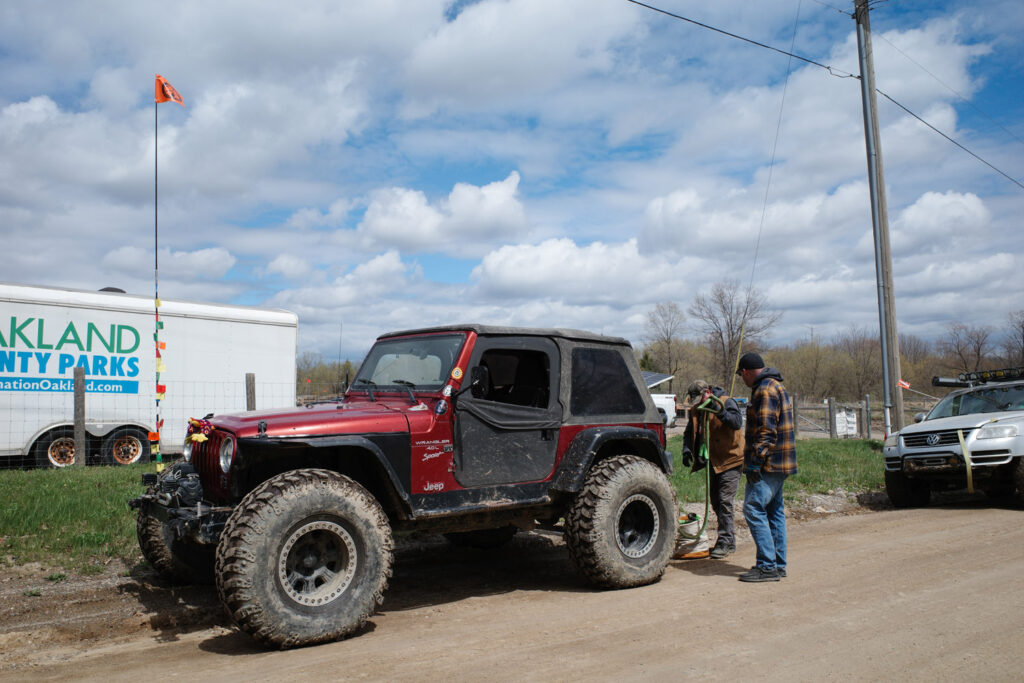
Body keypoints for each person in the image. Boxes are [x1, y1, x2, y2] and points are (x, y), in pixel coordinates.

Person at [736, 351, 796, 583]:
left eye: (741, 375)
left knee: (753, 508)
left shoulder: (765, 390)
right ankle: (777, 564)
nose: (742, 379)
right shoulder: (776, 386)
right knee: (774, 512)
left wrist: (755, 462)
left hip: (769, 464)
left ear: (747, 372)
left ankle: (767, 566)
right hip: (781, 462)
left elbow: (766, 431)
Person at [680, 379, 744, 559]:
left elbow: (737, 422)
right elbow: (688, 432)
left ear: (708, 392)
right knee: (715, 501)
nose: (698, 402)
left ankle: (724, 541)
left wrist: (721, 412)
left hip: (731, 458)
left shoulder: (726, 401)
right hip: (713, 461)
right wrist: (686, 450)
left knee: (725, 501)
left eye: (700, 398)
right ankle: (730, 540)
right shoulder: (696, 410)